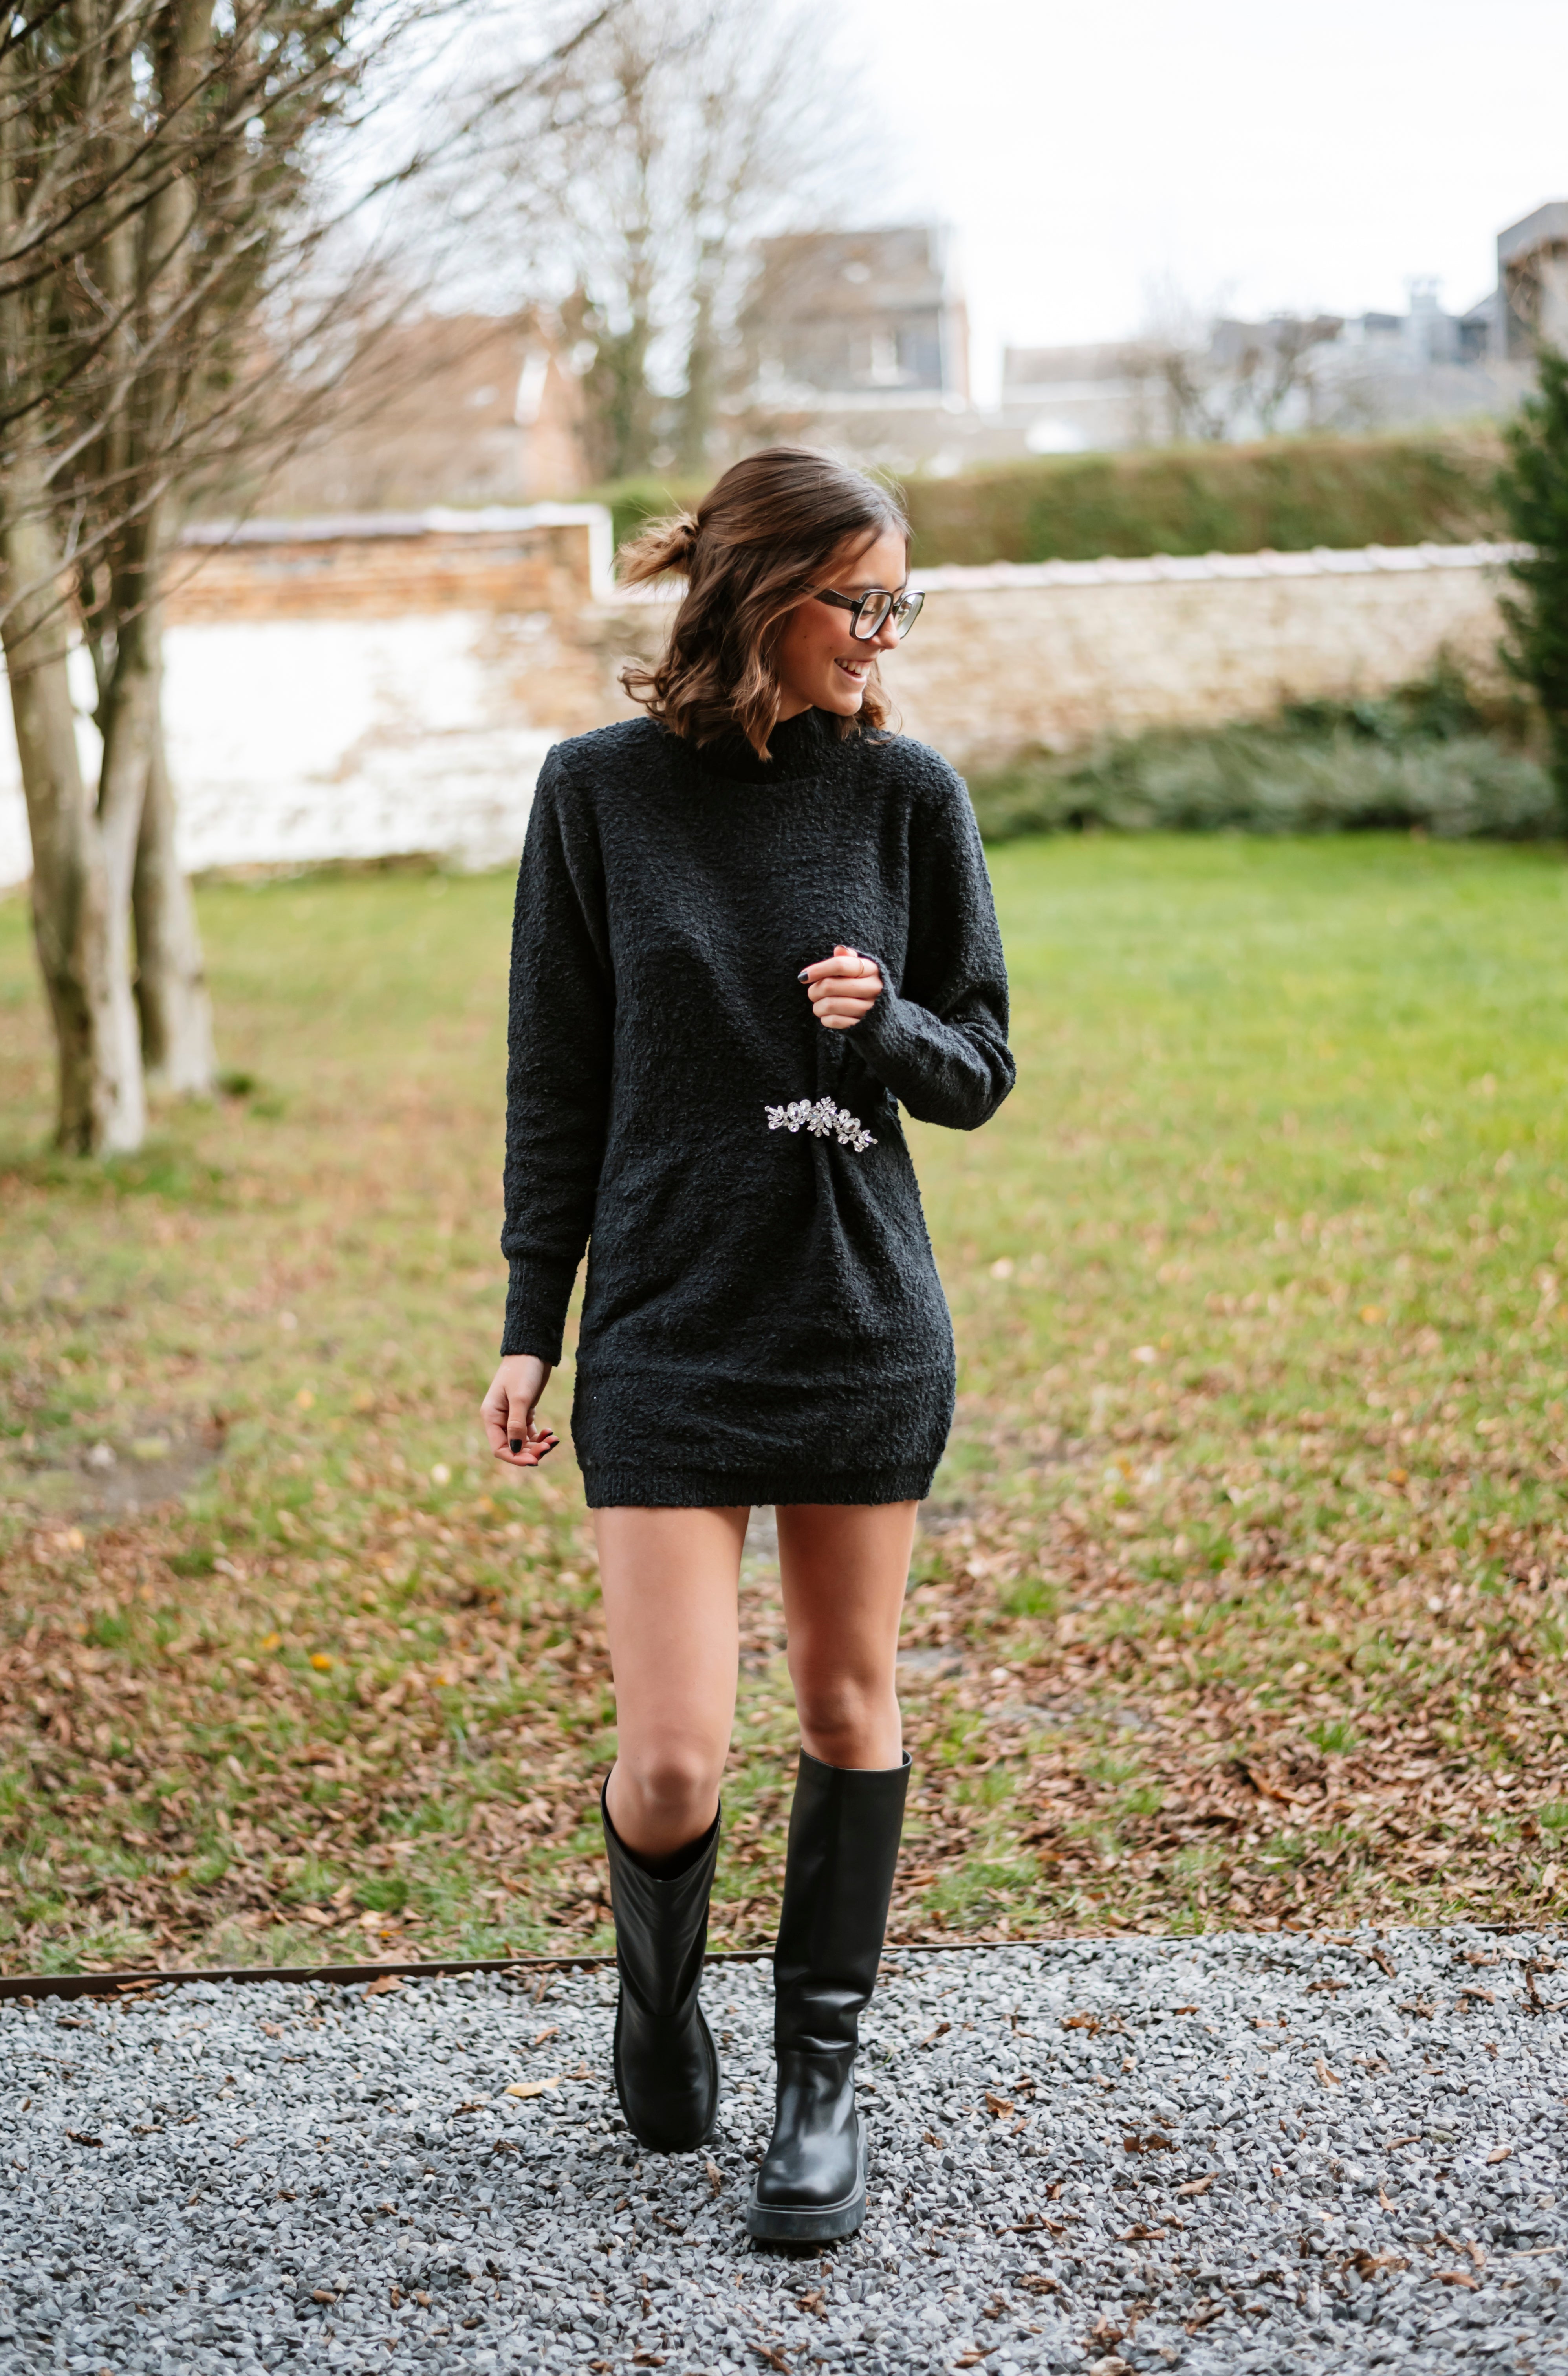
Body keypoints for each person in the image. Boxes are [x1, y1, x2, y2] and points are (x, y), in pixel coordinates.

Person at [480, 446, 1014, 2241]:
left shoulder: (908, 796)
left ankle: (817, 2090)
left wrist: (886, 1026)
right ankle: (656, 2001)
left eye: (899, 602)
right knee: (675, 1759)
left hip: (856, 1318)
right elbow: (556, 1076)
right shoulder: (596, 793)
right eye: (859, 601)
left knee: (850, 1705)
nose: (885, 634)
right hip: (664, 1323)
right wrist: (530, 1325)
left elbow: (982, 1070)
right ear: (761, 596)